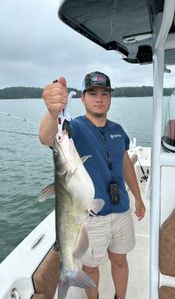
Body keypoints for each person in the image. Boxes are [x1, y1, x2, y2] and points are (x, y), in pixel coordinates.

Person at [39, 71, 146, 299]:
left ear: (110, 98)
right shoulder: (74, 128)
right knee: (91, 267)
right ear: (83, 99)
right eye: (93, 93)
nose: (99, 98)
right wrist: (51, 112)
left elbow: (125, 162)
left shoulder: (118, 130)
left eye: (104, 93)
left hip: (121, 209)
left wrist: (138, 197)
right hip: (91, 217)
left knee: (120, 259)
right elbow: (48, 138)